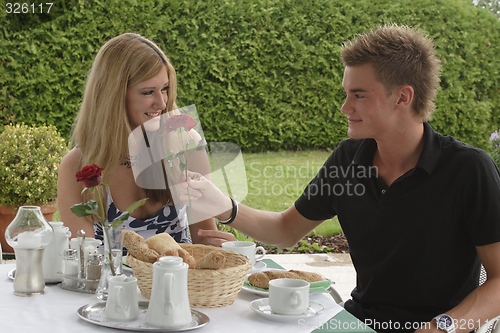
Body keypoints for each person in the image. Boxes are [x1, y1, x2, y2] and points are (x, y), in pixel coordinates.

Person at [179, 24, 500, 332]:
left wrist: (442, 328)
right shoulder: (348, 159)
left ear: (403, 97)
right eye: (347, 94)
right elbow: (286, 230)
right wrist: (225, 206)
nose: (345, 107)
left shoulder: (468, 170)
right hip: (357, 323)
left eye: (359, 95)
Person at [57, 33, 235, 246]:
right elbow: (83, 259)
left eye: (165, 89)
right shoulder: (77, 165)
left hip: (179, 276)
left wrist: (220, 248)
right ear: (114, 96)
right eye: (148, 92)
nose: (161, 103)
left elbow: (203, 238)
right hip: (111, 280)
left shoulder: (185, 144)